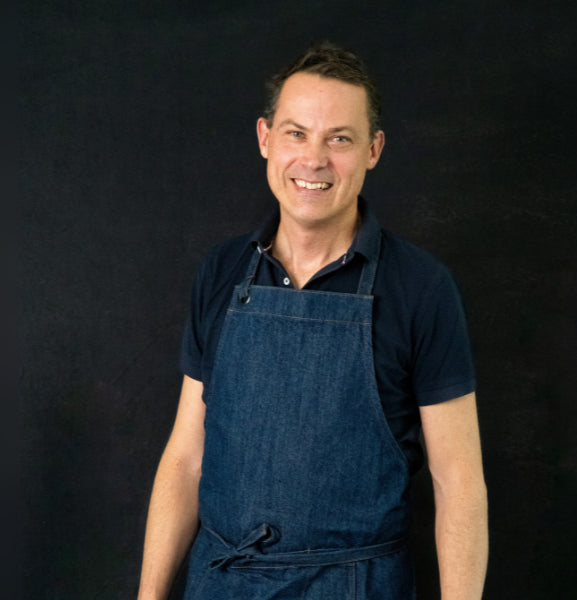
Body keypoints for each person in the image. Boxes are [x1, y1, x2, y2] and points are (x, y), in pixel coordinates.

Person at [137, 42, 488, 600]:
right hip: (221, 583)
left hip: (357, 585)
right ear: (265, 138)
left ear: (373, 150)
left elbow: (460, 484)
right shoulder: (221, 271)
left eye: (339, 139)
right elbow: (186, 456)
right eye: (296, 133)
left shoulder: (421, 288)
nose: (314, 159)